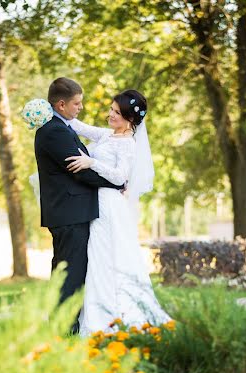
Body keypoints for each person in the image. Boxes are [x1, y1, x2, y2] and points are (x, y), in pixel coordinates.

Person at [64, 89, 170, 335]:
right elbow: (79, 126)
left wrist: (92, 163)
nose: (110, 115)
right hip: (97, 201)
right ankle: (98, 311)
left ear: (130, 120)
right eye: (111, 109)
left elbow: (120, 176)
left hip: (109, 205)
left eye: (117, 113)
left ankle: (114, 315)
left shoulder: (127, 144)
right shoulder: (108, 135)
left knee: (107, 257)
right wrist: (48, 110)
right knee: (97, 258)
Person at [33, 77, 122, 333]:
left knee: (65, 272)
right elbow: (79, 170)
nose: (80, 107)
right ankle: (65, 329)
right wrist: (116, 184)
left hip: (68, 212)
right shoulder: (54, 131)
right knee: (71, 274)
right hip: (69, 214)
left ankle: (61, 326)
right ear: (61, 104)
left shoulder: (61, 127)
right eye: (77, 103)